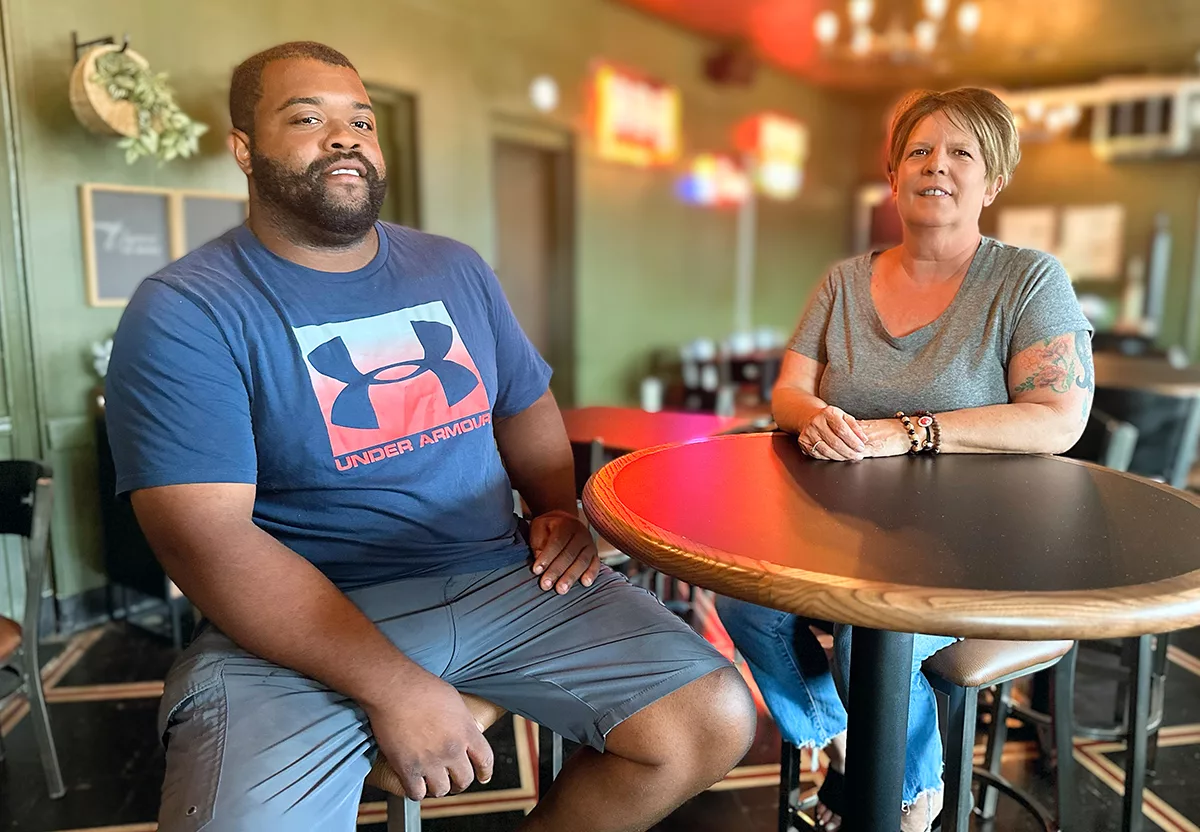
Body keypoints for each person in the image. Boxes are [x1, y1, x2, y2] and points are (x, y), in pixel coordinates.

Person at [104, 41, 756, 832]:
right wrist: (393, 684)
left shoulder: (454, 268)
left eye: (362, 121)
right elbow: (205, 540)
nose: (344, 137)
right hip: (308, 618)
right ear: (245, 149)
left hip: (502, 578)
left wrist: (555, 506)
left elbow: (524, 403)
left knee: (711, 716)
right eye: (307, 117)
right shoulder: (187, 308)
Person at [717, 87, 1094, 831]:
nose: (937, 166)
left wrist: (911, 430)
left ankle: (910, 797)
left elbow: (1059, 418)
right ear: (894, 176)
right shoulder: (843, 281)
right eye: (919, 150)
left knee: (868, 633)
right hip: (846, 530)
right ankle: (847, 740)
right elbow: (788, 392)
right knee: (743, 601)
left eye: (962, 153)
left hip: (980, 541)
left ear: (993, 181)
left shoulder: (1027, 279)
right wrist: (818, 414)